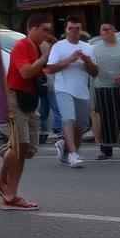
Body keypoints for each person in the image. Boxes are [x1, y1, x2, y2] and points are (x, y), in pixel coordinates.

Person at [0, 14, 51, 210]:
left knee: (27, 148)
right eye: (45, 30)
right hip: (15, 97)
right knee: (18, 145)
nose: (48, 34)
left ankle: (4, 185)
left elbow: (41, 73)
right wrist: (45, 57)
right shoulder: (21, 46)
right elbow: (25, 72)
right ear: (33, 29)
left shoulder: (37, 48)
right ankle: (5, 186)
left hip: (30, 99)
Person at [45, 16, 97, 168]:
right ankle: (73, 156)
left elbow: (95, 72)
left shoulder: (88, 48)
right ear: (66, 30)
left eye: (77, 29)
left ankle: (65, 146)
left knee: (80, 126)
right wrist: (70, 59)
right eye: (71, 28)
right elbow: (50, 68)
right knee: (69, 120)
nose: (74, 31)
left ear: (81, 30)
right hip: (63, 89)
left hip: (82, 92)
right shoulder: (59, 47)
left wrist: (87, 61)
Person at [91, 21, 120, 160]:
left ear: (114, 30)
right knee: (106, 119)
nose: (106, 32)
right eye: (103, 30)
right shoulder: (95, 49)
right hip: (102, 87)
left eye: (109, 29)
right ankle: (106, 149)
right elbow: (92, 69)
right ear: (100, 32)